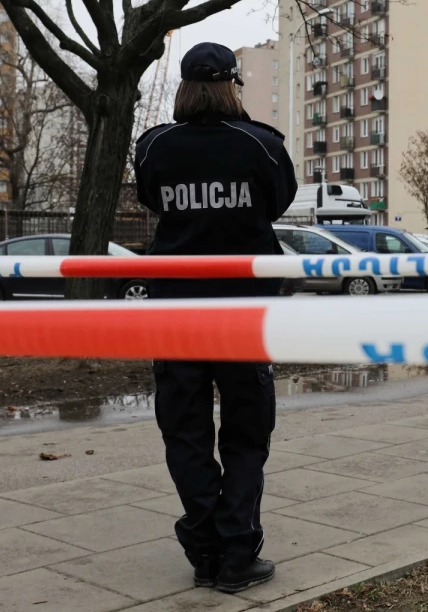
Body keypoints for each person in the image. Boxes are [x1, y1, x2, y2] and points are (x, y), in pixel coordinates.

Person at [134, 41, 298, 594]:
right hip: (243, 311)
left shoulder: (155, 146)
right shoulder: (262, 146)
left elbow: (153, 199)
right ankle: (235, 549)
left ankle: (204, 548)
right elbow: (276, 202)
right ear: (233, 86)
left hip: (175, 309)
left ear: (184, 87)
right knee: (247, 433)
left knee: (184, 430)